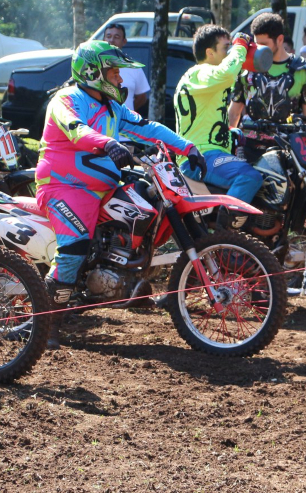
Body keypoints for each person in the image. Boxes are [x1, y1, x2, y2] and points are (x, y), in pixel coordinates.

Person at [36, 40, 206, 321]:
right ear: (93, 72)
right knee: (75, 244)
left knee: (144, 199)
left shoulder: (114, 107)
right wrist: (107, 144)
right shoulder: (67, 99)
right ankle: (49, 320)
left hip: (103, 185)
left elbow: (147, 128)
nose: (120, 78)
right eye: (114, 72)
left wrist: (187, 147)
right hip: (65, 185)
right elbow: (76, 129)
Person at [174, 25, 263, 206]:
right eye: (226, 48)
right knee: (249, 177)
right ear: (210, 52)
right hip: (200, 155)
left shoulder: (206, 80)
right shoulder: (201, 72)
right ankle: (226, 232)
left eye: (231, 47)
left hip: (206, 153)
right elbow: (228, 73)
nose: (230, 52)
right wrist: (240, 45)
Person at [229, 12, 306, 128]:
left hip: (287, 141)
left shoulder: (302, 69)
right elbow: (234, 112)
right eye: (256, 44)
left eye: (264, 44)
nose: (259, 49)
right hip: (251, 140)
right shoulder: (246, 67)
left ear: (280, 40)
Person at [103, 23, 149, 112]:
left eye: (116, 37)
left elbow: (141, 98)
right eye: (108, 36)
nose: (111, 40)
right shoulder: (94, 64)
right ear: (103, 39)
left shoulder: (133, 67)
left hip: (126, 124)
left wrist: (125, 114)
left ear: (124, 41)